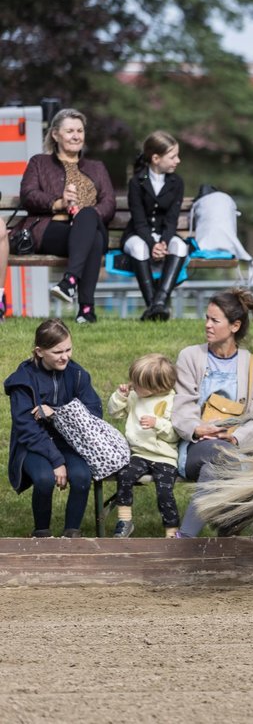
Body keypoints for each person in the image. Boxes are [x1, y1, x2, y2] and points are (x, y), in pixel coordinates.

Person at [171, 289, 253, 537]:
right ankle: (230, 525)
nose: (207, 325)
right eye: (207, 318)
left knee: (215, 468)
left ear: (235, 325)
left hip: (235, 447)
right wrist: (197, 428)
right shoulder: (191, 356)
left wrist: (235, 438)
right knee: (218, 456)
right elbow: (182, 406)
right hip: (197, 446)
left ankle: (189, 537)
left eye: (215, 320)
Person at [18, 108, 116, 324]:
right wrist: (58, 203)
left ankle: (69, 282)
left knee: (89, 218)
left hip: (88, 227)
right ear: (55, 135)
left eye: (80, 131)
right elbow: (28, 194)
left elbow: (109, 203)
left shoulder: (96, 167)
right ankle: (86, 310)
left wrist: (88, 214)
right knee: (95, 240)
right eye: (70, 130)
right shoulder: (39, 162)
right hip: (50, 229)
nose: (76, 136)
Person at [3, 319, 99, 537]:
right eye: (57, 352)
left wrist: (56, 412)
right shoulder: (23, 380)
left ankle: (71, 534)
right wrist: (56, 461)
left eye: (68, 349)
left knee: (82, 477)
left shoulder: (77, 374)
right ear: (39, 351)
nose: (65, 356)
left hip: (69, 441)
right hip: (33, 445)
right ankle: (42, 533)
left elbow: (94, 413)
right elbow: (25, 427)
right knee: (44, 478)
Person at [107, 354, 180, 537]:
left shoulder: (172, 401)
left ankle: (172, 530)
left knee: (164, 492)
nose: (133, 385)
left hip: (165, 457)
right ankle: (124, 521)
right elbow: (114, 413)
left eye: (138, 383)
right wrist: (120, 396)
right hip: (139, 454)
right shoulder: (134, 396)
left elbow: (174, 435)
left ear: (155, 387)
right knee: (124, 476)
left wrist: (157, 423)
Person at [122, 131, 188, 321]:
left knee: (181, 246)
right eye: (173, 156)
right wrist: (152, 245)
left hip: (164, 236)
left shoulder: (177, 183)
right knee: (138, 247)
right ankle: (154, 306)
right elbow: (139, 221)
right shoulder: (137, 182)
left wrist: (164, 243)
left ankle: (158, 304)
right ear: (156, 158)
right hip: (138, 235)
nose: (178, 160)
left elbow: (172, 219)